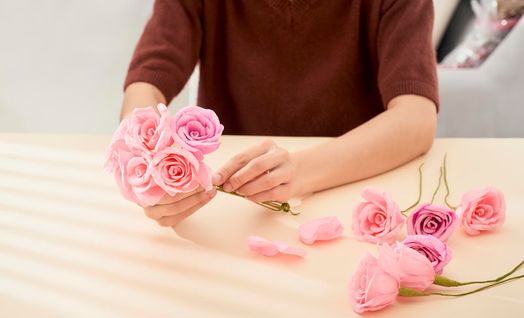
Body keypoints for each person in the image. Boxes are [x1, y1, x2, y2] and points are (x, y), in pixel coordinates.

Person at [120, 0, 439, 227]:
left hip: (352, 193)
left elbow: (416, 117)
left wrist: (298, 171)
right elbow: (146, 83)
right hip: (232, 212)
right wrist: (152, 171)